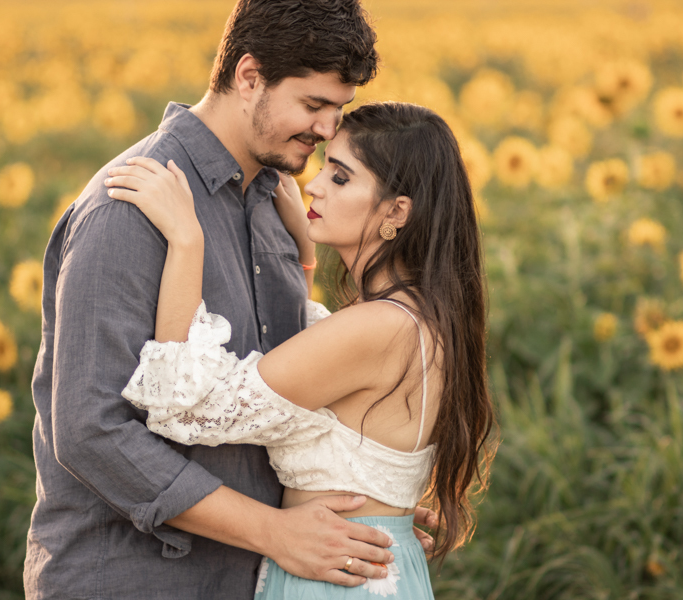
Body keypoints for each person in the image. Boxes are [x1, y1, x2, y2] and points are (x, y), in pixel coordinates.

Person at [24, 2, 437, 598]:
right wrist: (273, 530)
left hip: (251, 576)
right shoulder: (130, 206)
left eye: (337, 110)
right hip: (137, 579)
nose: (327, 130)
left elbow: (285, 393)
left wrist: (375, 504)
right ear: (249, 78)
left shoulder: (278, 207)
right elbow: (91, 429)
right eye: (314, 105)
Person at [104, 101, 497, 598]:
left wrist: (186, 240)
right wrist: (303, 262)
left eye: (339, 177)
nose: (313, 185)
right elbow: (315, 367)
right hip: (367, 566)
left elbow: (181, 408)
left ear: (397, 212)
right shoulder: (420, 316)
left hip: (333, 580)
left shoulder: (376, 328)